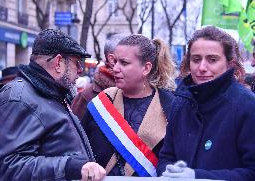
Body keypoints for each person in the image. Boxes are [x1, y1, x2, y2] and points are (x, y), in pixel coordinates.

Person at [0, 29, 106, 181]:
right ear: (58, 63)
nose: (80, 71)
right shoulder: (19, 98)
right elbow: (7, 166)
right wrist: (69, 167)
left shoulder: (53, 93)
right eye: (77, 63)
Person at [157, 26, 255, 181]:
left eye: (212, 60)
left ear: (230, 64)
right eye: (196, 59)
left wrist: (198, 177)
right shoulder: (180, 103)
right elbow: (166, 156)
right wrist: (169, 173)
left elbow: (252, 172)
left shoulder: (247, 106)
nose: (202, 67)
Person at [83, 34, 176, 177]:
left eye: (124, 63)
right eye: (115, 61)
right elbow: (80, 148)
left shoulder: (170, 107)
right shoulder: (101, 102)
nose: (115, 68)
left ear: (146, 68)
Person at [71, 33, 128, 121]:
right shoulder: (87, 97)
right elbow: (74, 132)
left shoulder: (145, 93)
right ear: (112, 60)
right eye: (128, 59)